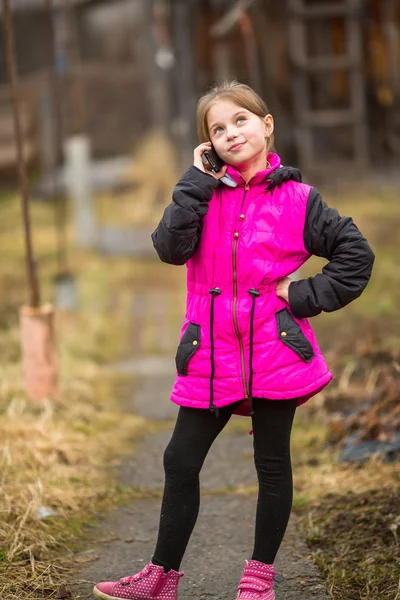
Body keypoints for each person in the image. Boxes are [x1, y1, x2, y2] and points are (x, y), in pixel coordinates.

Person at [93, 81, 374, 600]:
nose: (230, 134)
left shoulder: (299, 200)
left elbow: (358, 259)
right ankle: (160, 577)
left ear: (266, 126)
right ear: (208, 146)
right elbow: (169, 249)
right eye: (217, 130)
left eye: (239, 121)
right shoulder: (202, 195)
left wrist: (305, 294)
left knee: (271, 463)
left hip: (275, 348)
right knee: (179, 460)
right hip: (211, 350)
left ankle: (258, 577)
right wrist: (195, 182)